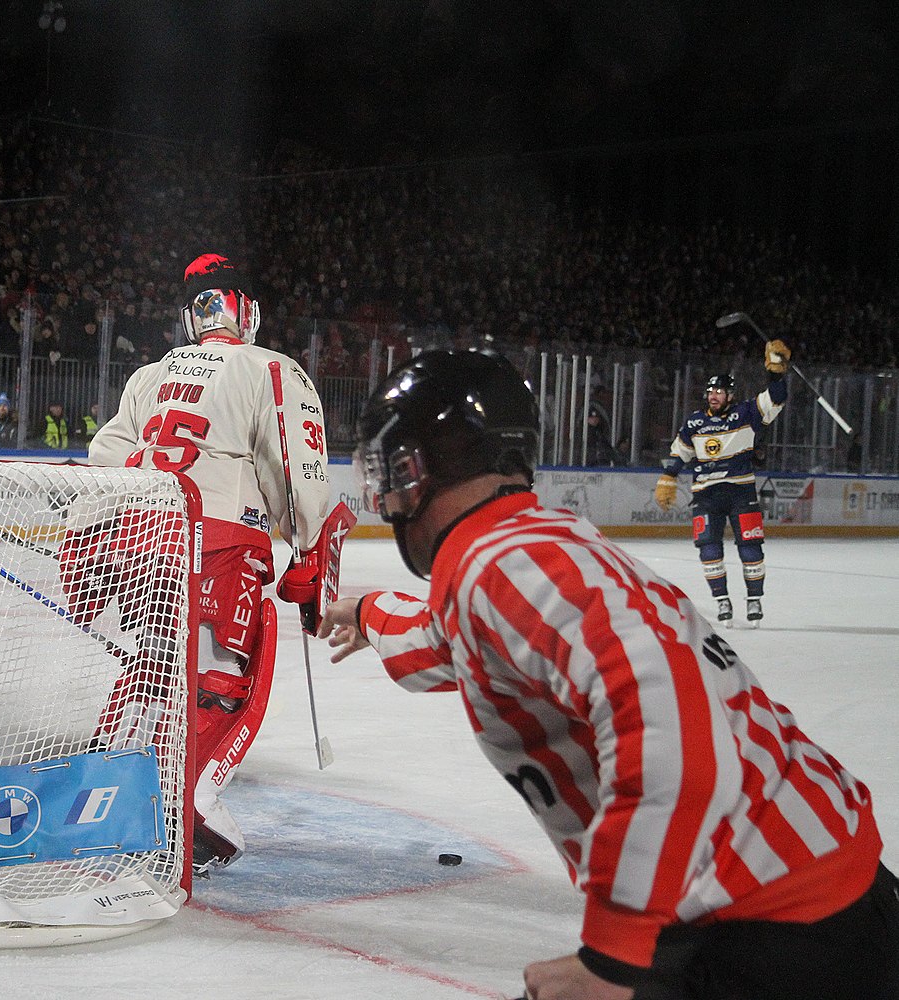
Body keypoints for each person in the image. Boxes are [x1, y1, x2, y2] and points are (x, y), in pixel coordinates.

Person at [320, 349, 896, 1000]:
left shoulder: (507, 566)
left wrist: (610, 959)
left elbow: (671, 735)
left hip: (782, 928)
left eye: (390, 473)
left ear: (426, 467)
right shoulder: (518, 552)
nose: (387, 498)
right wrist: (366, 613)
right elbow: (445, 638)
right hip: (796, 895)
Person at [86, 252, 329, 873]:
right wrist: (309, 549)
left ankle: (103, 780)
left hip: (140, 535)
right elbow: (297, 468)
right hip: (219, 537)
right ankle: (188, 796)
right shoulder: (269, 367)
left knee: (155, 666)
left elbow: (106, 451)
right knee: (229, 671)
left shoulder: (151, 374)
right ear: (245, 309)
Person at [654, 338, 790, 626]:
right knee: (708, 548)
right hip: (706, 494)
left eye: (720, 391)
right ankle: (722, 599)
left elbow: (776, 396)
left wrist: (776, 371)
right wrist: (668, 476)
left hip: (741, 490)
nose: (714, 395)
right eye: (711, 391)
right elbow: (680, 453)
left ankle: (754, 599)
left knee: (751, 547)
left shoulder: (747, 414)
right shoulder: (694, 423)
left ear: (731, 395)